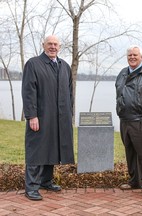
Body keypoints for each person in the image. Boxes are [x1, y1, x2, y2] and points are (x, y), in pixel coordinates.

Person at [22, 35, 75, 201]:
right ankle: (31, 187)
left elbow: (70, 93)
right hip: (41, 116)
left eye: (56, 44)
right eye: (49, 44)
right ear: (43, 45)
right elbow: (28, 92)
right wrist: (32, 115)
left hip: (60, 117)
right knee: (36, 148)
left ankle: (46, 181)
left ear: (60, 47)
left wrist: (68, 114)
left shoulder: (65, 66)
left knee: (53, 147)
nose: (53, 47)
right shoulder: (33, 64)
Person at [115, 45, 142, 197]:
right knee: (130, 152)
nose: (132, 57)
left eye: (135, 55)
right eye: (129, 55)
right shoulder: (122, 73)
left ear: (141, 56)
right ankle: (135, 181)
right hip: (125, 120)